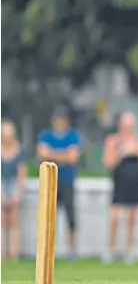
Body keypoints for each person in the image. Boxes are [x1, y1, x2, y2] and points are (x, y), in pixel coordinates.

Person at [102, 112, 138, 264]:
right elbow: (108, 163)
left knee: (132, 217)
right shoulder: (113, 140)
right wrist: (121, 152)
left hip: (135, 182)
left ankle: (129, 250)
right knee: (115, 217)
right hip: (119, 182)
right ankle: (111, 249)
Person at [36, 109, 81, 260]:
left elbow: (73, 157)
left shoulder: (72, 135)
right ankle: (48, 249)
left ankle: (71, 249)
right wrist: (63, 155)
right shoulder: (46, 135)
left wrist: (52, 154)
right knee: (48, 216)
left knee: (70, 216)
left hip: (67, 180)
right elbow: (41, 153)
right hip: (49, 182)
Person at [1, 119, 27, 261]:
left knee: (14, 221)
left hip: (14, 185)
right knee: (2, 221)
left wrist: (17, 194)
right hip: (2, 185)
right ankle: (2, 255)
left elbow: (22, 174)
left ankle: (14, 255)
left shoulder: (19, 151)